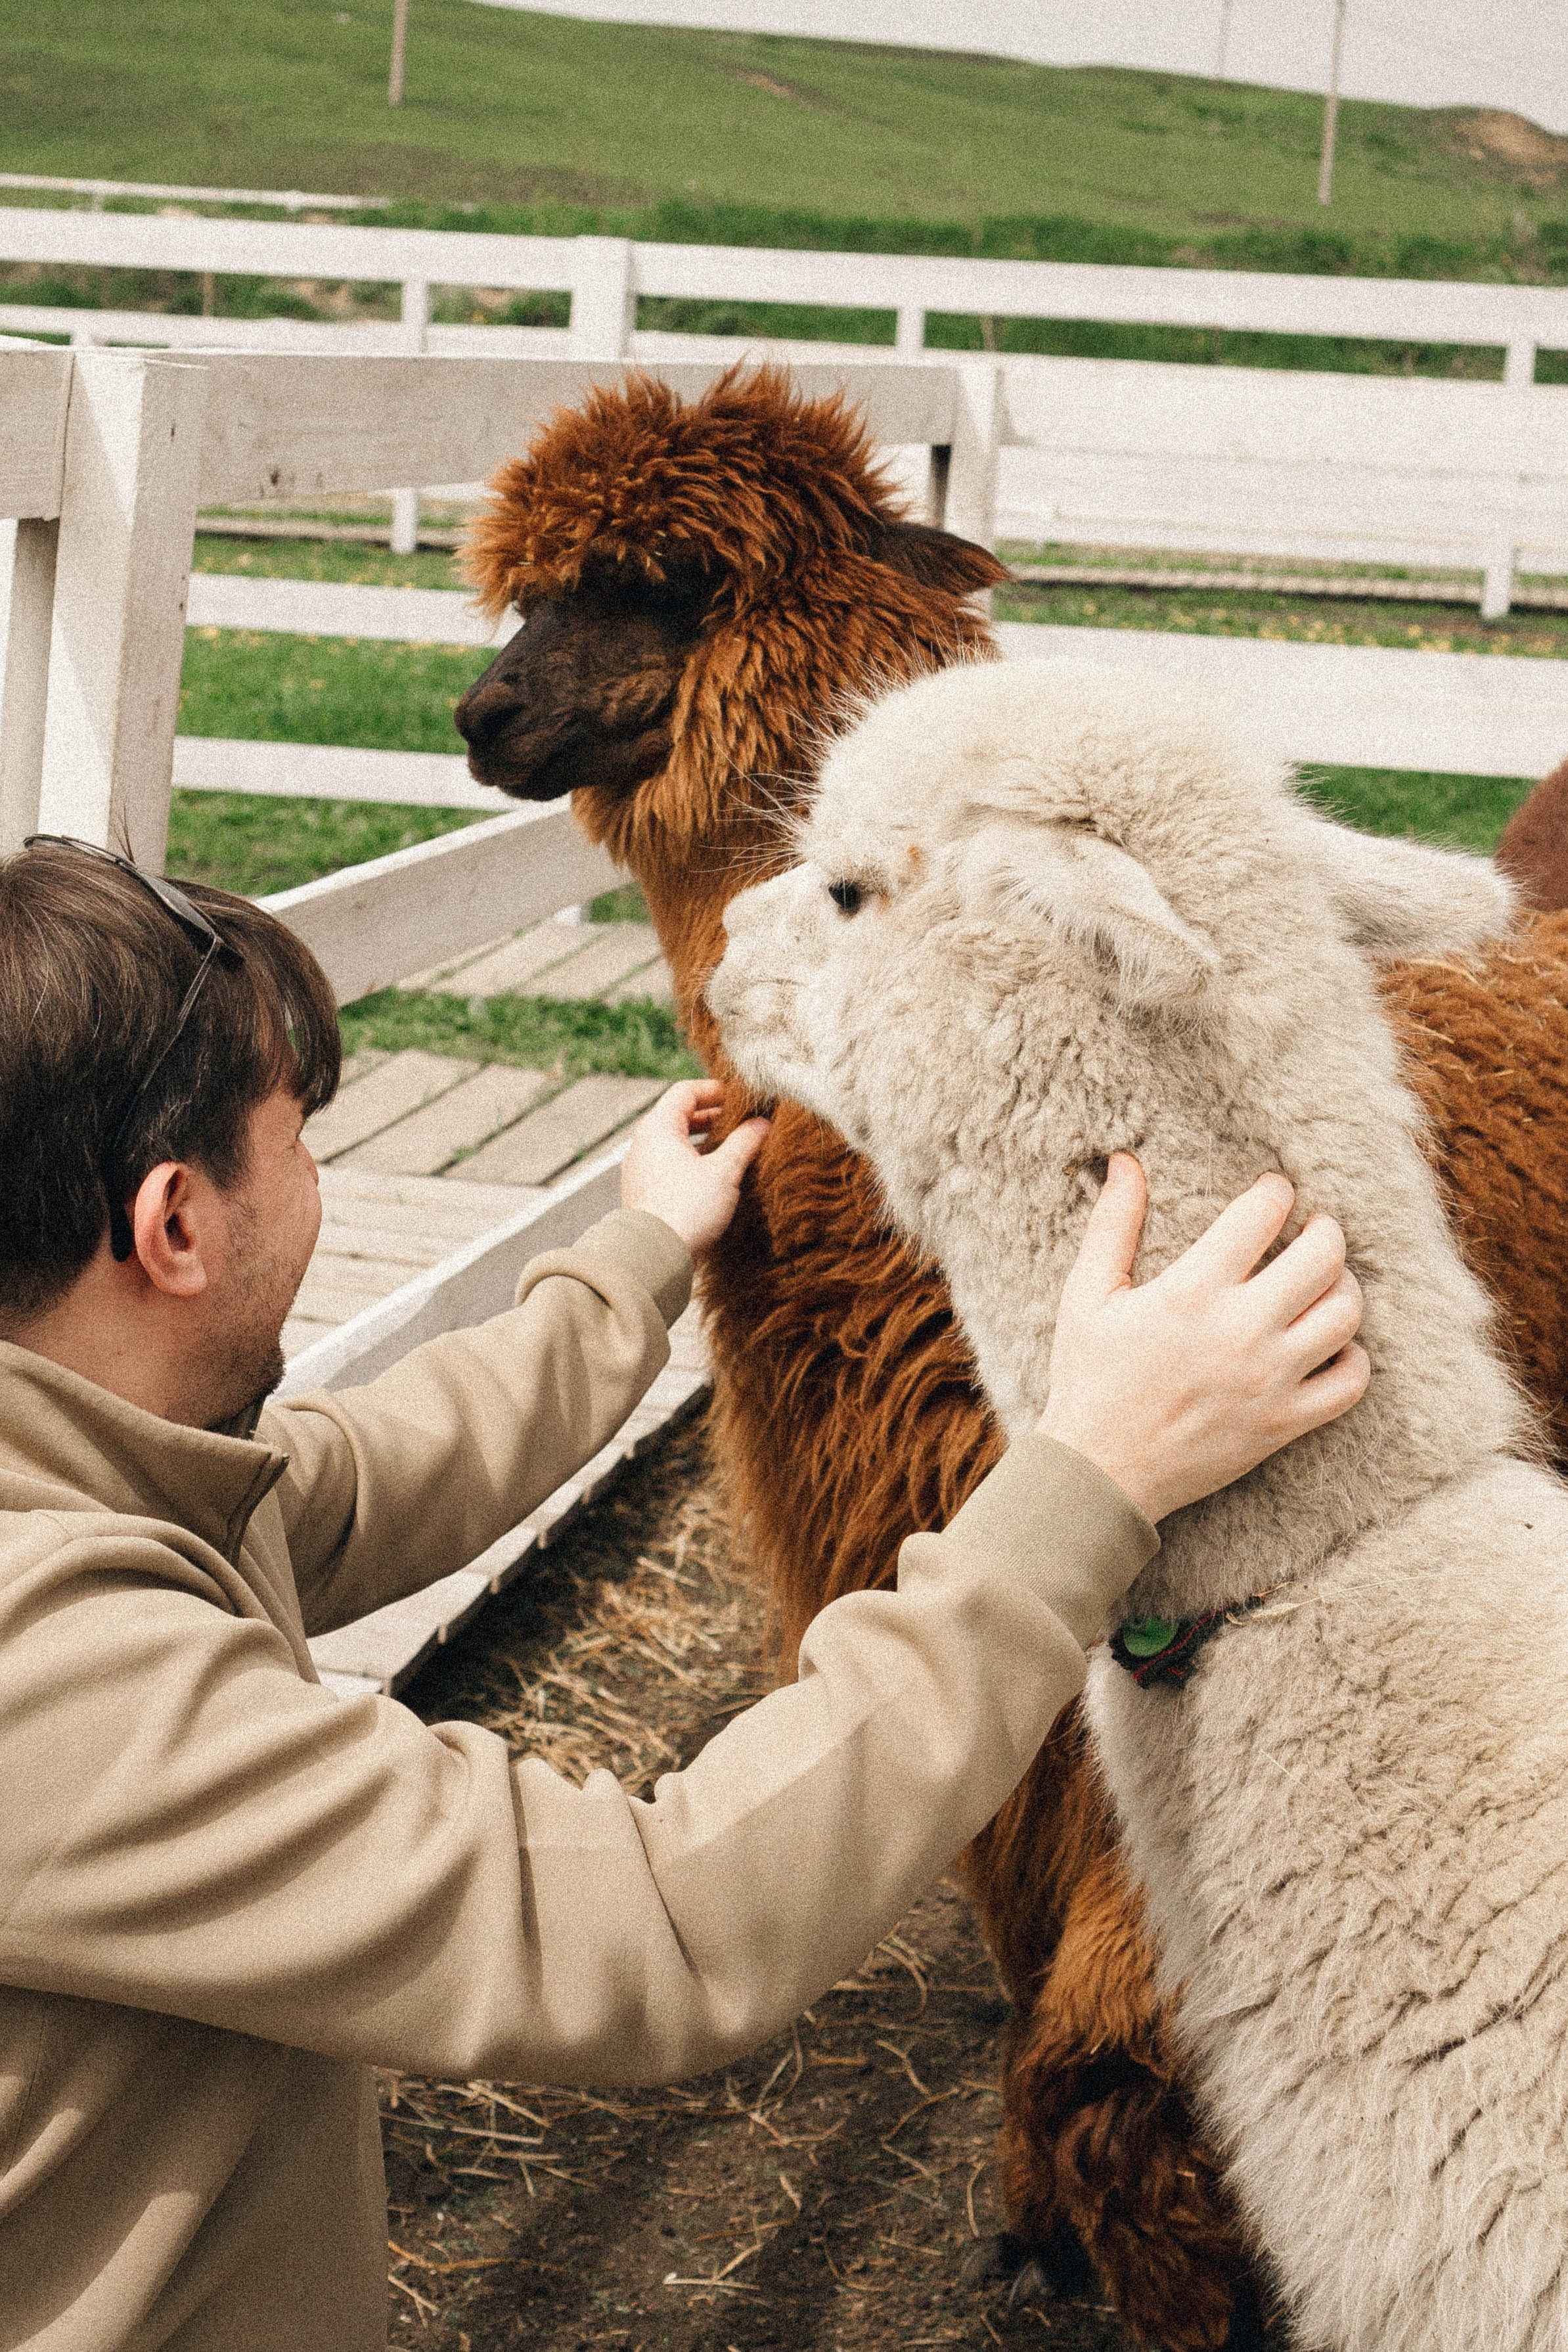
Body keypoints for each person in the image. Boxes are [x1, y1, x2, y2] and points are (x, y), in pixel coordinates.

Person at [0, 841, 1368, 2352]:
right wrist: (1092, 1474)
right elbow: (660, 1915)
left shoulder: (110, 1460)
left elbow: (380, 1466)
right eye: (298, 1137)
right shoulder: (50, 1677)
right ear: (175, 1225)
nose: (316, 1170)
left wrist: (638, 1250)